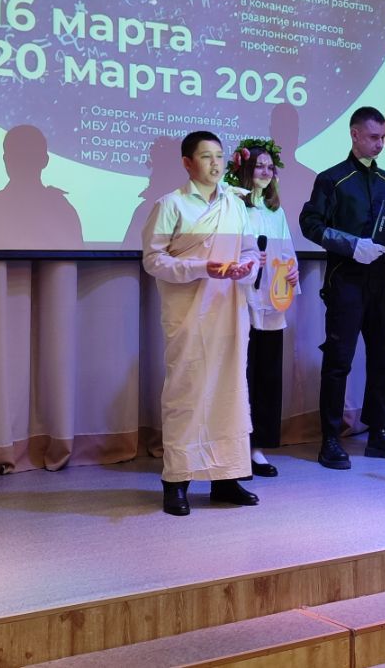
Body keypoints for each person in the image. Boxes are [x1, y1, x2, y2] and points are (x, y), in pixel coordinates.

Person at [142, 130, 259, 516]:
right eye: (207, 157)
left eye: (220, 156)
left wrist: (246, 268)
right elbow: (153, 259)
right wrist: (200, 267)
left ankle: (227, 477)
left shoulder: (235, 204)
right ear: (187, 163)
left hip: (229, 311)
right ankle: (176, 481)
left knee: (229, 392)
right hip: (189, 314)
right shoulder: (170, 204)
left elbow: (249, 251)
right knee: (187, 393)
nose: (215, 164)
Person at [299, 106, 385, 469]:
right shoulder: (332, 179)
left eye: (383, 137)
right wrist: (352, 244)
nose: (379, 144)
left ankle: (378, 432)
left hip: (380, 279)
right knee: (339, 361)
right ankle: (330, 439)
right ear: (354, 135)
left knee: (384, 358)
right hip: (345, 280)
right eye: (373, 137)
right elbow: (310, 223)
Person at [225, 138, 299, 477]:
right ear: (244, 169)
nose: (266, 172)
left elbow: (288, 252)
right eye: (259, 166)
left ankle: (258, 447)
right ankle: (236, 447)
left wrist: (292, 270)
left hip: (271, 302)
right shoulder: (234, 206)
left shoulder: (275, 211)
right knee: (244, 375)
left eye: (270, 167)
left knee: (268, 376)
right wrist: (252, 258)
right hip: (243, 300)